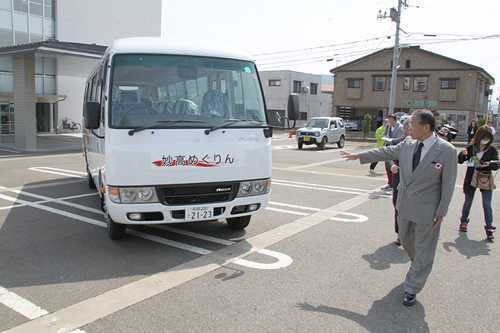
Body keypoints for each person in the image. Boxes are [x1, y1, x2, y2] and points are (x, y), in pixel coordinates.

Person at [342, 109, 457, 307]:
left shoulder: (446, 151)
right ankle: (418, 265)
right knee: (405, 240)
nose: (408, 127)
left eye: (412, 124)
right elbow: (383, 152)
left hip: (427, 210)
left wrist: (441, 212)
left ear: (426, 127)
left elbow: (448, 185)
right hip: (404, 205)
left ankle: (412, 287)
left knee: (424, 249)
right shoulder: (407, 144)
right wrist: (357, 156)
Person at [458, 126, 498, 242]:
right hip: (471, 179)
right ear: (478, 137)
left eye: (488, 138)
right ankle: (464, 221)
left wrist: (491, 164)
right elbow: (460, 160)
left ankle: (489, 227)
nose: (485, 140)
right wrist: (463, 154)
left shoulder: (492, 150)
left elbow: (496, 164)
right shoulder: (472, 148)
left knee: (487, 204)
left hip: (485, 179)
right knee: (468, 202)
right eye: (483, 137)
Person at [388, 119, 412, 246]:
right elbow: (388, 156)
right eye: (408, 128)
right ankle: (400, 234)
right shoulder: (398, 142)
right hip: (398, 179)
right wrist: (392, 165)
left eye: (412, 128)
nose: (410, 131)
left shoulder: (421, 144)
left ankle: (409, 233)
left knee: (411, 207)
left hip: (414, 182)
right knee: (397, 205)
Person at [381, 114, 404, 191]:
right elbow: (384, 134)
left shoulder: (400, 127)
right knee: (387, 166)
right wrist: (385, 138)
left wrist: (392, 140)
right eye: (388, 120)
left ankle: (395, 184)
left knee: (394, 167)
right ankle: (390, 183)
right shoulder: (388, 126)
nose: (389, 122)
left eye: (390, 120)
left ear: (395, 120)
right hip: (388, 148)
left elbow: (401, 138)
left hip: (396, 149)